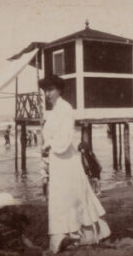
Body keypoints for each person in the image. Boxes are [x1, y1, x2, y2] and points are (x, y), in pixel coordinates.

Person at [38, 75, 109, 254]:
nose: (48, 94)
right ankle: (64, 233)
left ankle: (76, 233)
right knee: (61, 197)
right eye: (46, 90)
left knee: (69, 196)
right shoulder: (54, 111)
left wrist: (48, 145)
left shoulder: (65, 108)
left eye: (51, 89)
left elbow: (65, 137)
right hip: (56, 159)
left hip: (65, 158)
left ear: (60, 90)